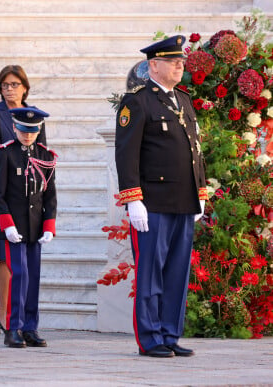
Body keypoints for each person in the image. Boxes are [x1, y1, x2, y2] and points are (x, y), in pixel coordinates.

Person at [114, 35, 208, 358]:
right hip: (152, 202)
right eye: (172, 61)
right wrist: (132, 199)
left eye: (181, 61)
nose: (180, 65)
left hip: (184, 201)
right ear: (153, 65)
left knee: (177, 274)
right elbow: (126, 155)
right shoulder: (137, 103)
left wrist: (201, 191)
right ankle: (150, 337)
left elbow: (195, 149)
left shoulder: (183, 100)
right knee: (150, 273)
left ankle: (170, 333)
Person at [0, 65, 47, 334]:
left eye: (14, 84)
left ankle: (23, 319)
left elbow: (43, 156)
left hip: (29, 196)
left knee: (27, 263)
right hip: (3, 192)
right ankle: (4, 313)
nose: (9, 89)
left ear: (24, 87)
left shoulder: (35, 116)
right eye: (5, 85)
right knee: (4, 257)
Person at [0, 106, 57, 348]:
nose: (27, 135)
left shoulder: (46, 156)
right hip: (14, 228)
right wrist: (7, 226)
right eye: (23, 130)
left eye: (32, 131)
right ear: (14, 128)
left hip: (35, 227)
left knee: (33, 277)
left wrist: (49, 225)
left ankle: (30, 327)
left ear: (38, 129)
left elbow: (50, 196)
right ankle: (13, 327)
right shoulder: (5, 154)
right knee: (18, 275)